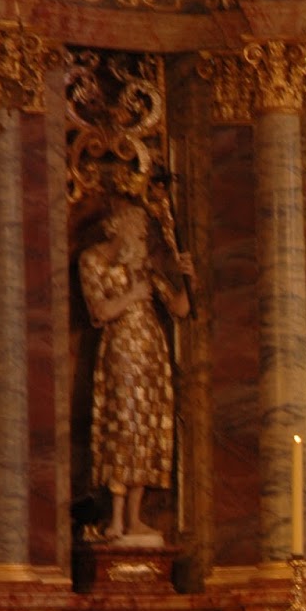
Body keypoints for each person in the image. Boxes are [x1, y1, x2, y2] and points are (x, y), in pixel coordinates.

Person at [78, 195, 193, 544]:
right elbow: (99, 311)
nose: (144, 237)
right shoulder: (93, 259)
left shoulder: (143, 266)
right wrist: (131, 296)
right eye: (139, 229)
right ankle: (114, 519)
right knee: (123, 427)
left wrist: (187, 278)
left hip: (151, 358)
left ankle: (134, 517)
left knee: (145, 429)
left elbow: (179, 308)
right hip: (121, 355)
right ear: (120, 227)